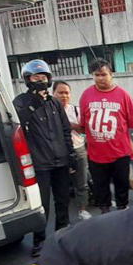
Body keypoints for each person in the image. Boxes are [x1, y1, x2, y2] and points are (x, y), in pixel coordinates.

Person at [13, 59, 77, 257]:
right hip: (39, 163)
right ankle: (39, 240)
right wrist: (33, 103)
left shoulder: (55, 103)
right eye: (36, 77)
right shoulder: (21, 102)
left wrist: (71, 154)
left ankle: (62, 235)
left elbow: (66, 130)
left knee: (63, 200)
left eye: (43, 77)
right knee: (42, 204)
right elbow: (18, 124)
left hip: (61, 160)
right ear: (28, 80)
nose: (40, 80)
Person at [79, 59, 133, 213]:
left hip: (120, 154)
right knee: (101, 189)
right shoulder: (86, 95)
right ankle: (105, 215)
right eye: (97, 75)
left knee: (122, 188)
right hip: (95, 155)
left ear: (111, 74)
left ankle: (122, 212)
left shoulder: (124, 96)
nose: (100, 78)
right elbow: (84, 125)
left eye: (104, 74)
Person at [54, 80, 91, 221]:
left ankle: (83, 209)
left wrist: (69, 125)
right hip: (59, 153)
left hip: (78, 149)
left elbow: (84, 129)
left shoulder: (76, 110)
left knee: (82, 182)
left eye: (67, 93)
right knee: (61, 186)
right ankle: (63, 217)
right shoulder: (50, 112)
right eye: (60, 93)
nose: (64, 96)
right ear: (54, 94)